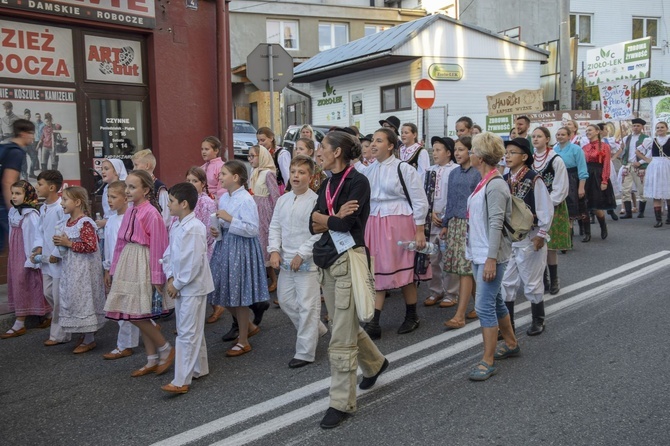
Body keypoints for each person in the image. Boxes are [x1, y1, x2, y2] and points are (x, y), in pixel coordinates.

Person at [310, 130, 387, 429]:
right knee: (343, 324)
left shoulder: (358, 181)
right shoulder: (327, 183)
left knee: (340, 336)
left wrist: (326, 218)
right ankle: (376, 363)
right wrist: (331, 217)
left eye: (323, 147)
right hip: (327, 261)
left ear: (338, 152)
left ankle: (341, 402)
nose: (319, 152)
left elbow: (346, 223)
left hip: (347, 262)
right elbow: (311, 224)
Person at [357, 128, 429, 339]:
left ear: (390, 146)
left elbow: (419, 201)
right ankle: (375, 321)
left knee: (404, 272)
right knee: (377, 270)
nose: (373, 144)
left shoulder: (403, 169)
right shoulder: (369, 170)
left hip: (399, 223)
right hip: (375, 223)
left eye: (378, 141)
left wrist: (419, 231)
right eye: (372, 140)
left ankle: (410, 315)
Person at [104, 170, 174, 377]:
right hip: (128, 261)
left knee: (139, 314)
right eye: (126, 187)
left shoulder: (151, 213)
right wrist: (113, 268)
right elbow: (120, 242)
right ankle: (152, 358)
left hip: (143, 262)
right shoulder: (130, 211)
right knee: (134, 313)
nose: (127, 191)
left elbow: (159, 246)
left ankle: (166, 349)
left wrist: (157, 276)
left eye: (132, 187)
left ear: (145, 190)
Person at [465, 132, 517, 381]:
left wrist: (491, 259)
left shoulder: (495, 185)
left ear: (481, 157)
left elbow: (496, 224)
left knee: (483, 307)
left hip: (490, 255)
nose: (470, 154)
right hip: (480, 252)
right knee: (495, 303)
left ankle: (488, 360)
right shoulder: (485, 181)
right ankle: (511, 343)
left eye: (473, 150)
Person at [268, 155, 327, 368]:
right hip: (285, 262)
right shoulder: (283, 200)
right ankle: (316, 329)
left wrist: (302, 253)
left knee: (308, 306)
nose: (296, 176)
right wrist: (274, 250)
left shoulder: (315, 201)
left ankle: (305, 352)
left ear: (310, 177)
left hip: (307, 263)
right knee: (285, 301)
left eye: (302, 173)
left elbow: (319, 233)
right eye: (293, 171)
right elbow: (275, 227)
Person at [208, 160, 271, 356]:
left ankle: (243, 340)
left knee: (239, 295)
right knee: (220, 290)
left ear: (235, 178)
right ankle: (249, 326)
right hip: (225, 246)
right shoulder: (225, 197)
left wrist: (229, 219)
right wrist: (217, 229)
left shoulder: (246, 199)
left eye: (224, 174)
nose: (220, 176)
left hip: (241, 249)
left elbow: (252, 229)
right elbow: (224, 222)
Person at [161, 182, 215, 394]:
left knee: (186, 332)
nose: (169, 206)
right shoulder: (177, 224)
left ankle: (181, 380)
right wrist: (170, 276)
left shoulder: (194, 228)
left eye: (172, 202)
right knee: (192, 330)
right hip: (181, 284)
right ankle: (199, 368)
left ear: (184, 204)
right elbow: (169, 254)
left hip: (192, 286)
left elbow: (193, 263)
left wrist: (178, 282)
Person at [501, 137, 553, 336]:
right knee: (506, 281)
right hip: (509, 239)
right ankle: (508, 325)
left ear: (524, 156)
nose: (508, 156)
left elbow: (545, 208)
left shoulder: (533, 178)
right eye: (506, 153)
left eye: (512, 152)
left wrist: (541, 234)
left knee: (531, 281)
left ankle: (538, 319)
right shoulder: (505, 179)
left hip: (530, 237)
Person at [53, 186, 107, 353]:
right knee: (74, 297)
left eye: (65, 200)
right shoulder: (67, 222)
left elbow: (91, 246)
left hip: (84, 270)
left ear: (77, 202)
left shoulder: (85, 223)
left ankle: (89, 337)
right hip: (71, 268)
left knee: (85, 298)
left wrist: (68, 243)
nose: (61, 203)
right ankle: (84, 332)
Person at [1, 180, 50, 339]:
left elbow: (35, 236)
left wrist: (32, 258)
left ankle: (20, 322)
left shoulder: (30, 214)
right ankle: (47, 315)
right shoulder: (14, 212)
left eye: (18, 193)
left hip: (26, 252)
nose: (14, 197)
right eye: (13, 193)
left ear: (27, 195)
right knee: (19, 283)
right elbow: (12, 234)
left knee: (26, 283)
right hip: (16, 253)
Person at [441, 137, 480, 329]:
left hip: (470, 225)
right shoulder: (453, 173)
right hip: (455, 223)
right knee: (464, 270)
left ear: (471, 152)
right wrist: (446, 224)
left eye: (461, 150)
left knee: (465, 270)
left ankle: (460, 316)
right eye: (455, 150)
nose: (457, 153)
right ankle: (482, 306)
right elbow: (450, 199)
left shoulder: (477, 173)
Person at [102, 180, 140, 360]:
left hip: (127, 268)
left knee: (127, 305)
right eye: (108, 197)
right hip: (114, 268)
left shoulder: (128, 219)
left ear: (126, 198)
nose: (109, 200)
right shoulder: (110, 220)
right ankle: (143, 333)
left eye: (113, 197)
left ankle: (125, 344)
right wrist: (107, 268)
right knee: (125, 305)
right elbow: (109, 246)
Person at [32, 170, 70, 346]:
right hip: (46, 259)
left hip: (58, 259)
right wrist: (38, 247)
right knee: (48, 293)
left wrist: (56, 253)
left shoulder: (61, 207)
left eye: (40, 184)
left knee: (57, 295)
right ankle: (69, 322)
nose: (37, 188)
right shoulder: (43, 207)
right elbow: (40, 231)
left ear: (52, 187)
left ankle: (58, 334)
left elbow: (65, 231)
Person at [531, 127, 569, 296]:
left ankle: (554, 279)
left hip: (552, 206)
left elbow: (561, 187)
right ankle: (542, 278)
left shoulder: (555, 160)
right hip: (534, 208)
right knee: (536, 243)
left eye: (539, 136)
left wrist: (547, 204)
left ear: (547, 139)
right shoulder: (530, 159)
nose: (535, 139)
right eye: (533, 136)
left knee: (550, 245)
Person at [423, 136, 459, 307]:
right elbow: (423, 196)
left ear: (448, 153)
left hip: (448, 222)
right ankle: (435, 291)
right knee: (433, 259)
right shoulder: (429, 170)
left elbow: (455, 197)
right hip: (431, 221)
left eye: (438, 150)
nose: (434, 153)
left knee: (448, 259)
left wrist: (444, 216)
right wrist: (430, 214)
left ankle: (451, 293)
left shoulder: (456, 170)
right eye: (434, 150)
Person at [248, 144, 281, 293]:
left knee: (264, 246)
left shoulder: (268, 173)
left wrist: (275, 216)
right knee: (257, 246)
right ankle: (263, 280)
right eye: (248, 156)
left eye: (252, 156)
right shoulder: (254, 172)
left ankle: (275, 279)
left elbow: (274, 196)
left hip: (264, 212)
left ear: (261, 156)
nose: (249, 159)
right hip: (254, 210)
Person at [582, 124, 617, 241]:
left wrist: (604, 180)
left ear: (597, 131)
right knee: (584, 205)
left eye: (590, 130)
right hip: (586, 174)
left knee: (596, 205)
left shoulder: (605, 146)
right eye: (586, 130)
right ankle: (587, 233)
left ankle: (603, 226)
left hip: (597, 174)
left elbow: (606, 164)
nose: (588, 132)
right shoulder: (584, 147)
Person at [0, 119, 30, 253]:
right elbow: (8, 181)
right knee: (17, 245)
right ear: (23, 134)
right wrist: (13, 208)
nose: (33, 137)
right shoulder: (16, 152)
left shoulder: (6, 148)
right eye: (31, 133)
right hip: (2, 205)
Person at [553, 126, 589, 237]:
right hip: (559, 178)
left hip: (573, 178)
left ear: (569, 136)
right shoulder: (554, 149)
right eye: (558, 134)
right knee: (563, 207)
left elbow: (582, 169)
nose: (560, 136)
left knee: (577, 207)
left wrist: (581, 186)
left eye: (563, 134)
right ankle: (568, 236)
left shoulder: (576, 149)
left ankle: (586, 232)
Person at [636, 121, 670, 227]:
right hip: (655, 166)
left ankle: (669, 217)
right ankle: (658, 220)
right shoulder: (651, 140)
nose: (660, 129)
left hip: (667, 165)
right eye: (658, 127)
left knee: (668, 191)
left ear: (667, 128)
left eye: (662, 127)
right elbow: (637, 151)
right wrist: (647, 159)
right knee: (656, 194)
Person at [132, 149, 171, 227]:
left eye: (136, 165)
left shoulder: (159, 188)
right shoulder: (135, 186)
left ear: (147, 166)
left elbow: (166, 217)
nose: (134, 169)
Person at [619, 118, 649, 218]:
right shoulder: (626, 138)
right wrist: (622, 149)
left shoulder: (646, 139)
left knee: (641, 189)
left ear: (642, 127)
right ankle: (628, 212)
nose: (635, 127)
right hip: (628, 165)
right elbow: (623, 154)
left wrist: (640, 162)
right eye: (634, 126)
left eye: (638, 126)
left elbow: (649, 154)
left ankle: (641, 211)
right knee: (625, 189)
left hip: (640, 166)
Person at [95, 158, 128, 231]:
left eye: (106, 169)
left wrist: (106, 222)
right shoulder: (106, 188)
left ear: (116, 171)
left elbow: (125, 214)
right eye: (102, 169)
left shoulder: (124, 188)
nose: (103, 172)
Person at [257, 127, 290, 195]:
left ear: (271, 138)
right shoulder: (261, 154)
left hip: (278, 190)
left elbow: (287, 176)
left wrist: (288, 191)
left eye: (262, 140)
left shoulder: (281, 154)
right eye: (258, 141)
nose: (260, 143)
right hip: (264, 191)